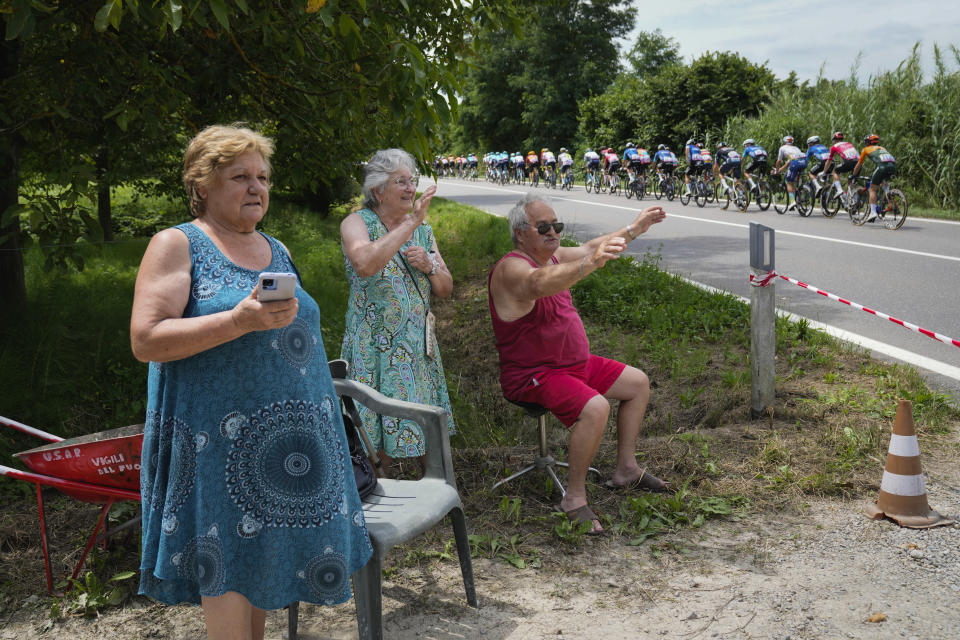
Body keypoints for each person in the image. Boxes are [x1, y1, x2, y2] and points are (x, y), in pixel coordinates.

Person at [130, 124, 372, 640]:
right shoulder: (178, 243)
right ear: (202, 185)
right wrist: (237, 321)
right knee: (231, 581)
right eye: (239, 176)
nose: (256, 187)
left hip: (284, 456)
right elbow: (147, 339)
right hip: (218, 452)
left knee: (258, 575)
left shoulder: (275, 248)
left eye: (262, 176)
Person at [487, 192, 669, 534]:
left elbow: (588, 248)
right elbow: (537, 284)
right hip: (534, 374)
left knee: (638, 383)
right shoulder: (512, 267)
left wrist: (635, 228)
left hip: (573, 365)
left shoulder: (553, 257)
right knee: (596, 407)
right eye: (543, 227)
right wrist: (589, 264)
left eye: (557, 225)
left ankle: (626, 469)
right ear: (520, 233)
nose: (553, 233)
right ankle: (573, 497)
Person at [340, 149, 456, 475]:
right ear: (377, 191)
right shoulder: (357, 223)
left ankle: (441, 498)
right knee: (373, 434)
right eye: (400, 182)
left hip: (416, 349)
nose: (410, 188)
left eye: (412, 181)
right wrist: (410, 224)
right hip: (373, 348)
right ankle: (375, 502)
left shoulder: (424, 231)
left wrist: (430, 265)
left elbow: (446, 287)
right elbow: (365, 263)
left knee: (426, 425)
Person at [853, 134, 897, 222]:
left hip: (882, 167)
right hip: (892, 166)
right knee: (884, 185)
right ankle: (893, 205)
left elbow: (859, 164)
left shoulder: (865, 149)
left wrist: (854, 175)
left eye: (866, 142)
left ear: (868, 142)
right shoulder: (882, 148)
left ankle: (873, 213)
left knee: (872, 189)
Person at [821, 131, 860, 202]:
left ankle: (839, 190)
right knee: (851, 182)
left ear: (835, 140)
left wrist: (824, 172)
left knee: (835, 171)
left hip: (849, 162)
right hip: (858, 163)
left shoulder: (834, 146)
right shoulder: (848, 143)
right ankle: (855, 201)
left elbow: (829, 161)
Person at [772, 135, 807, 210]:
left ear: (784, 142)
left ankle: (792, 202)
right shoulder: (796, 148)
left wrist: (777, 170)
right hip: (804, 162)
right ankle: (799, 195)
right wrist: (780, 169)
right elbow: (788, 163)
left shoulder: (782, 148)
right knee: (795, 180)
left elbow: (778, 161)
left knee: (788, 182)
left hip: (795, 163)